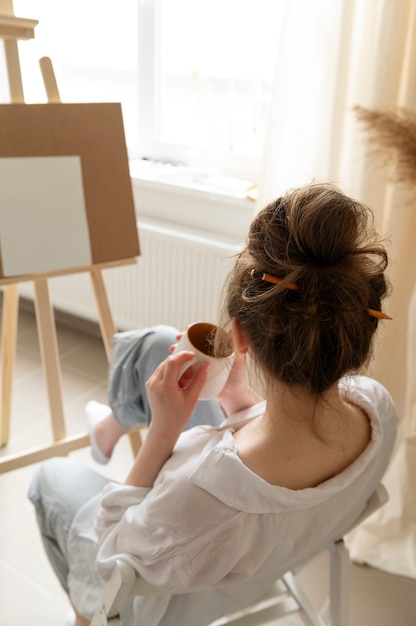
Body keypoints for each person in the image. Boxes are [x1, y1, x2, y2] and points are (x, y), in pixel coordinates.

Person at [28, 183, 397, 626]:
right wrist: (240, 402)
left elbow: (112, 553)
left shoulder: (203, 491)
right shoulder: (377, 408)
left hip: (167, 604)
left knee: (50, 477)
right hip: (273, 553)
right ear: (359, 334)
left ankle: (84, 616)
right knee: (163, 344)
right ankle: (110, 426)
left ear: (239, 337)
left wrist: (162, 432)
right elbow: (287, 451)